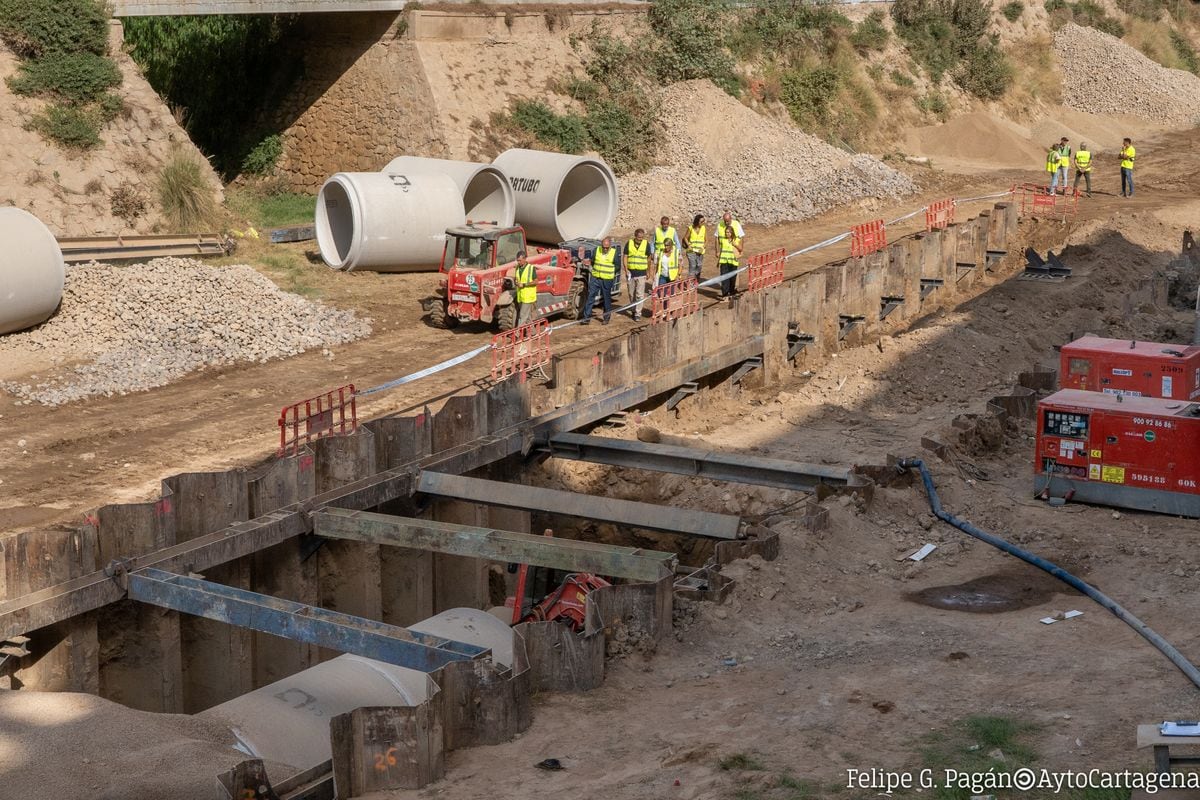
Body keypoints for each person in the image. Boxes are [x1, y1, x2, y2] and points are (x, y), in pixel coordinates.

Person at [580, 236, 618, 326]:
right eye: (603, 247)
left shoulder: (614, 253)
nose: (605, 249)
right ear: (601, 245)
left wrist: (610, 274)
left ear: (610, 246)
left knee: (606, 299)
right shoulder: (597, 250)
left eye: (607, 247)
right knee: (590, 297)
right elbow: (593, 261)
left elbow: (617, 266)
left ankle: (606, 318)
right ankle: (586, 318)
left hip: (607, 279)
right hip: (596, 278)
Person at [623, 228, 651, 320]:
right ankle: (633, 309)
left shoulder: (646, 244)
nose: (640, 239)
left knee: (640, 294)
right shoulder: (629, 243)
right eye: (639, 238)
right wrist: (626, 269)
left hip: (641, 273)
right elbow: (625, 256)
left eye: (642, 238)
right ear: (635, 236)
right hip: (631, 273)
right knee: (631, 294)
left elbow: (649, 258)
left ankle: (638, 313)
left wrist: (648, 271)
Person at [717, 218, 743, 300]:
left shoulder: (736, 240)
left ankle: (732, 292)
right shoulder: (723, 241)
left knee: (732, 278)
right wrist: (718, 262)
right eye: (726, 232)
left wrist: (735, 244)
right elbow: (721, 250)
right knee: (724, 278)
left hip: (733, 262)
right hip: (724, 262)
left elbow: (740, 249)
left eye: (728, 232)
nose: (727, 234)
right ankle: (725, 294)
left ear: (732, 233)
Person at [513, 251, 537, 327]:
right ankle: (533, 333)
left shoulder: (531, 268)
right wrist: (516, 282)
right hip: (520, 296)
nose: (518, 262)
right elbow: (516, 279)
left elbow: (536, 281)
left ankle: (517, 335)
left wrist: (524, 284)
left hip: (528, 297)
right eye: (517, 260)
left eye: (520, 260)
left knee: (522, 316)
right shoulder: (517, 268)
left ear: (525, 259)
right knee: (527, 317)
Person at [684, 214, 706, 279]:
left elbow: (706, 240)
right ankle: (690, 283)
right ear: (697, 222)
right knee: (693, 266)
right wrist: (688, 245)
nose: (703, 223)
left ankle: (695, 280)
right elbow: (685, 238)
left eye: (703, 221)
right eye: (701, 221)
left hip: (700, 251)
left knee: (699, 266)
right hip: (691, 251)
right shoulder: (690, 228)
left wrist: (703, 247)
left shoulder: (704, 228)